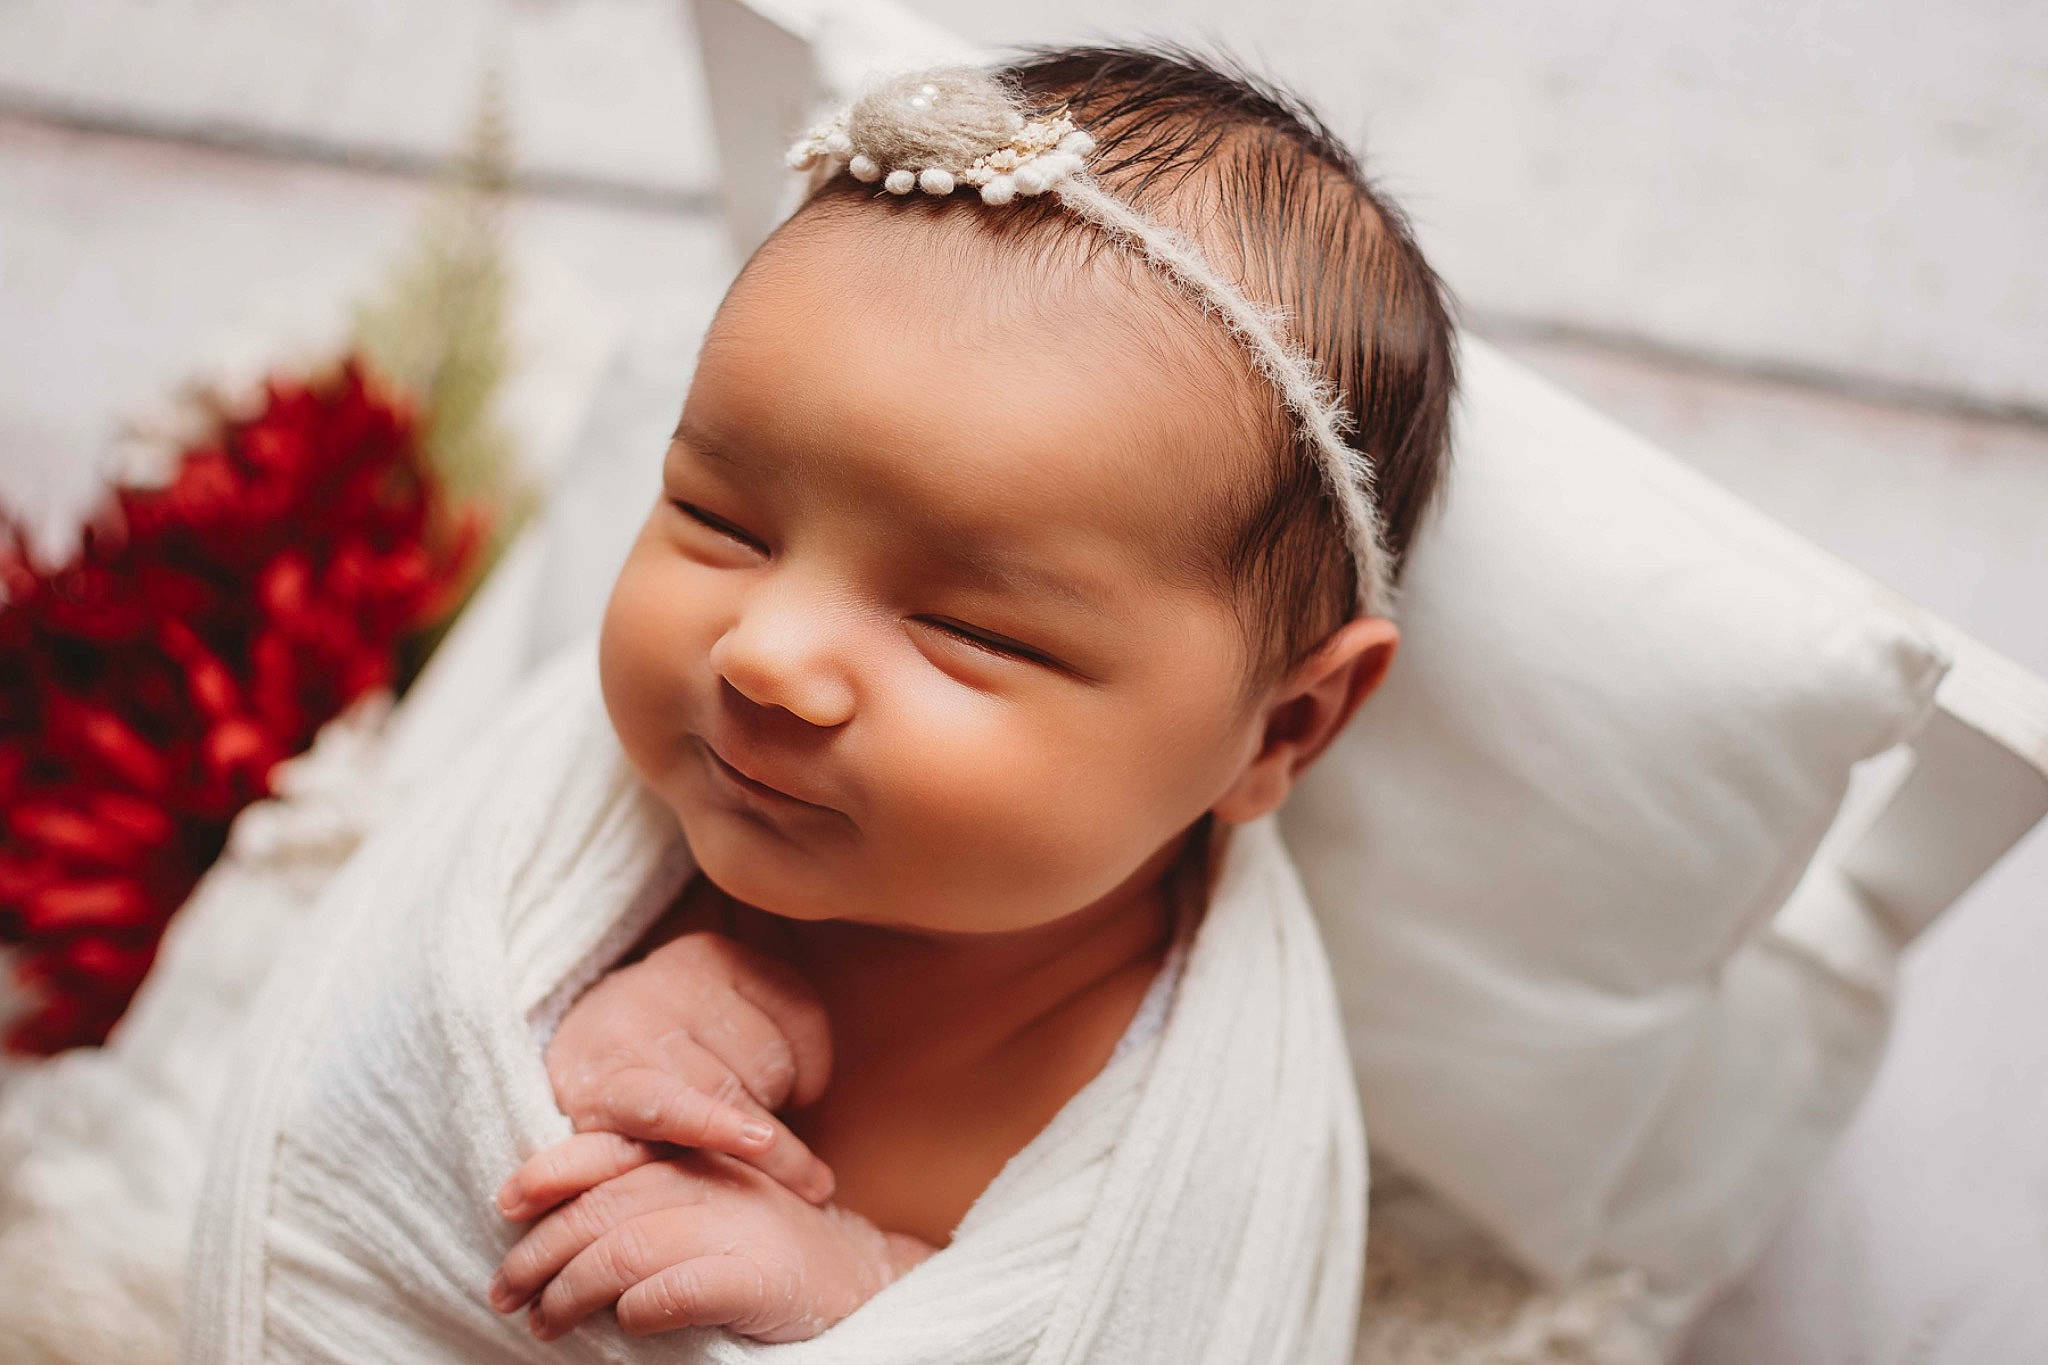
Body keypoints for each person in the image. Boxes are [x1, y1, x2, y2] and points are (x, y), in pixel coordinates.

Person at [476, 43, 1458, 1347]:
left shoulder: (1162, 1108)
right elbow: (407, 1040)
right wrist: (563, 1053)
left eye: (962, 626)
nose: (763, 653)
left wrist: (856, 1280)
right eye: (722, 520)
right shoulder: (632, 818)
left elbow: (1118, 1323)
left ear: (1285, 726)